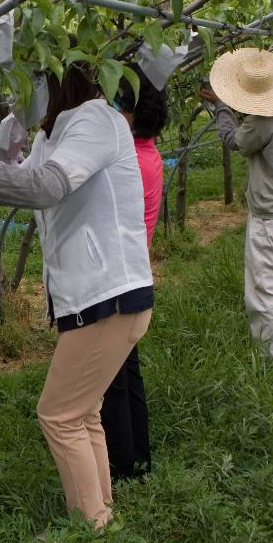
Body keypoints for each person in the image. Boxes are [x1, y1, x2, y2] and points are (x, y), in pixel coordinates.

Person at [0, 63, 153, 530]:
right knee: (84, 412)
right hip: (92, 298)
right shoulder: (56, 134)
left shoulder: (93, 120)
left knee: (59, 415)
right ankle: (101, 517)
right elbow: (17, 182)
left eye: (24, 86)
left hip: (107, 295)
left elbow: (43, 187)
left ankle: (90, 531)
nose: (17, 99)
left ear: (54, 82)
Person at [199, 47, 273, 358]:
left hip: (272, 214)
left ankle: (270, 357)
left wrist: (221, 106)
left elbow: (234, 141)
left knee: (266, 287)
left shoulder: (263, 118)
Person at [101, 68, 167, 481]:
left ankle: (122, 468)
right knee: (126, 371)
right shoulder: (146, 151)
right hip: (132, 273)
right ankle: (138, 462)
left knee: (113, 381)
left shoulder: (131, 162)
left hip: (117, 278)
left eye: (116, 104)